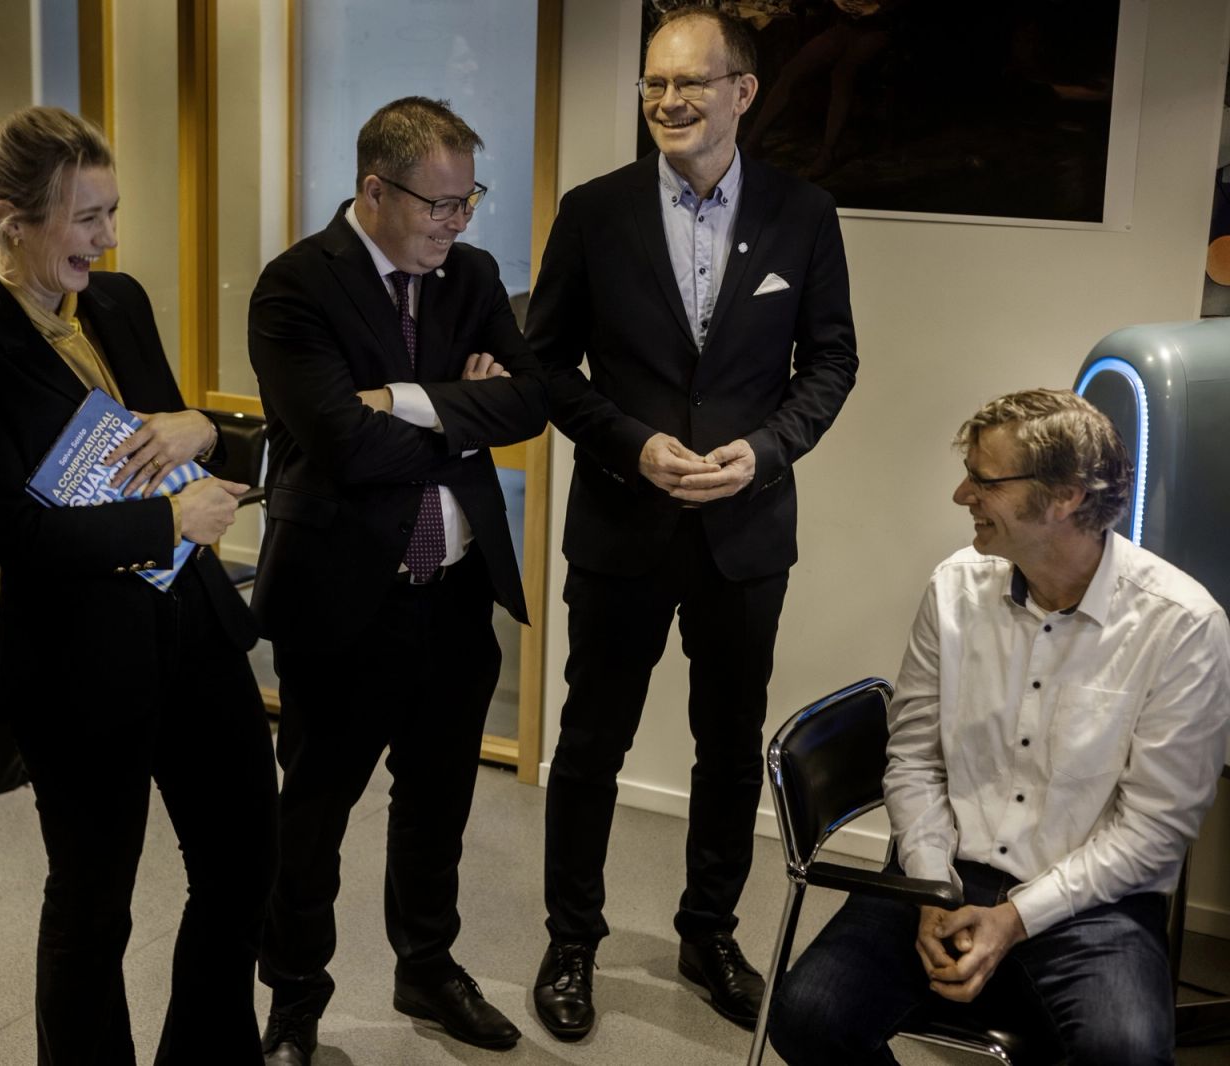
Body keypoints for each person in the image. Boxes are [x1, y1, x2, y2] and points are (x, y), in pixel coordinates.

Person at [0, 105, 278, 1066]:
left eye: (112, 212)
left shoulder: (120, 304)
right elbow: (19, 533)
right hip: (80, 662)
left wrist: (205, 427)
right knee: (93, 906)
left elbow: (172, 444)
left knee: (244, 862)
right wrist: (169, 522)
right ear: (12, 220)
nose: (108, 238)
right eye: (86, 219)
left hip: (194, 627)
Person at [525, 2, 858, 1039]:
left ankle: (708, 933)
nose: (667, 101)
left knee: (729, 746)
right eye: (654, 83)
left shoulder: (804, 213)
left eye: (690, 83)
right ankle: (570, 941)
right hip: (621, 525)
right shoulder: (593, 210)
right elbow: (545, 365)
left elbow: (831, 361)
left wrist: (765, 450)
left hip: (744, 531)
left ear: (742, 93)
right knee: (590, 742)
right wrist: (630, 443)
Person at [768, 388, 1230, 1064]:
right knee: (805, 1018)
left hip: (1092, 901)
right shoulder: (955, 588)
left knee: (1124, 1053)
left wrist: (1015, 919)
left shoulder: (1183, 626)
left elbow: (1154, 829)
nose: (962, 495)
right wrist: (930, 885)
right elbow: (914, 758)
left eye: (985, 481)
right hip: (943, 872)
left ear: (1066, 496)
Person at [249, 96, 548, 1065]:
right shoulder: (297, 286)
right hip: (343, 599)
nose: (457, 222)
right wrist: (460, 414)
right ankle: (295, 998)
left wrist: (407, 401)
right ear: (375, 191)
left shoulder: (473, 275)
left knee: (437, 805)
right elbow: (340, 441)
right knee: (314, 815)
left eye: (468, 200)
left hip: (455, 594)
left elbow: (530, 403)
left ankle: (427, 966)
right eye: (439, 204)